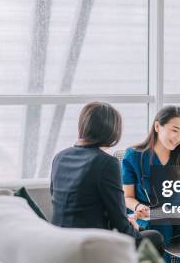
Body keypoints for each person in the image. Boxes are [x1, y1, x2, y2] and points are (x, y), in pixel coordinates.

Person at [50, 101, 164, 255]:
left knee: (141, 231)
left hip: (60, 239)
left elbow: (71, 206)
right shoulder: (106, 163)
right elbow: (119, 221)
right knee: (155, 237)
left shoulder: (60, 157)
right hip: (92, 243)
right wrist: (133, 228)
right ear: (112, 131)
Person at [122, 105, 180, 263]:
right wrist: (139, 207)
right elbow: (127, 197)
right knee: (162, 225)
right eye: (175, 130)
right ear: (157, 126)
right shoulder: (134, 156)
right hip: (151, 215)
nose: (179, 137)